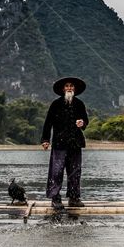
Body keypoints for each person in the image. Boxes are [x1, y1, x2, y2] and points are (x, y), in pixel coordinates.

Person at [41, 77, 88, 210]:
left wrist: (82, 123)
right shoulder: (55, 104)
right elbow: (48, 123)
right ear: (63, 89)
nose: (69, 88)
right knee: (57, 171)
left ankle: (74, 198)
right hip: (59, 144)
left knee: (75, 171)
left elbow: (85, 120)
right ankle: (55, 199)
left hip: (75, 143)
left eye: (71, 86)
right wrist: (45, 140)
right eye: (67, 86)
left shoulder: (79, 104)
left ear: (74, 89)